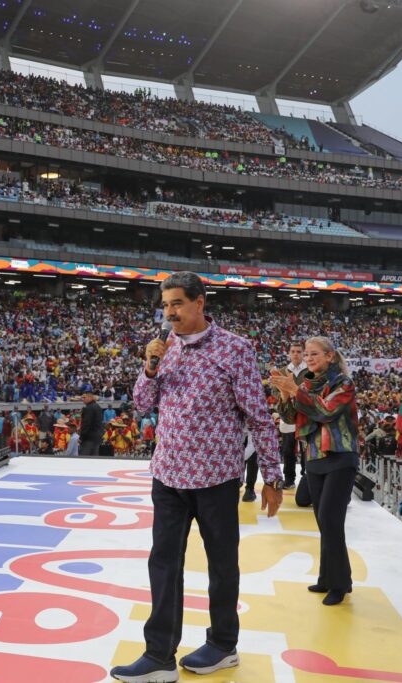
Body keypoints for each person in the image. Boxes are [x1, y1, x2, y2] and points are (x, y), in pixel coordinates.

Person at [112, 272, 283, 682]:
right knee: (164, 564)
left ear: (199, 303)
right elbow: (140, 404)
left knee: (222, 565)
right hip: (168, 475)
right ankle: (159, 656)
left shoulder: (235, 349)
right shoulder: (162, 349)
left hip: (216, 479)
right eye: (165, 305)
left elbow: (258, 417)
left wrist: (272, 476)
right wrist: (150, 368)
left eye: (177, 304)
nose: (169, 312)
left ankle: (223, 645)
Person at [271, 336, 359, 606]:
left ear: (330, 356)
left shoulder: (343, 383)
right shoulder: (305, 385)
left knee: (331, 521)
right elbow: (288, 418)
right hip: (314, 457)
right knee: (324, 522)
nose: (308, 358)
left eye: (314, 354)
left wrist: (295, 390)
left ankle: (340, 583)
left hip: (340, 457)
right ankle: (327, 577)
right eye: (306, 354)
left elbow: (325, 411)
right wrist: (286, 394)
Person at [277, 342, 307, 489]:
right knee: (288, 449)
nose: (296, 354)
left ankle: (306, 478)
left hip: (305, 415)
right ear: (289, 353)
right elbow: (278, 393)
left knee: (306, 449)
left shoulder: (310, 371)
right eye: (293, 351)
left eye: (299, 351)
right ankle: (289, 479)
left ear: (303, 354)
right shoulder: (282, 371)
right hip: (288, 415)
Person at [78, 390, 104, 456]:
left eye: (84, 397)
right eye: (82, 398)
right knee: (94, 459)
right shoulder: (98, 406)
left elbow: (86, 424)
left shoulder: (88, 408)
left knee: (84, 459)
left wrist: (81, 437)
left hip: (88, 438)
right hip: (97, 437)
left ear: (90, 397)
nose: (82, 399)